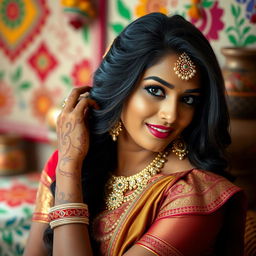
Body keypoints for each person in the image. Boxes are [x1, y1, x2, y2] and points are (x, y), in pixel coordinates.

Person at [24, 12, 246, 256]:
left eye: (188, 99)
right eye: (155, 90)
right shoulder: (71, 160)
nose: (171, 115)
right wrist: (68, 165)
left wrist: (68, 169)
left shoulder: (195, 196)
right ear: (121, 87)